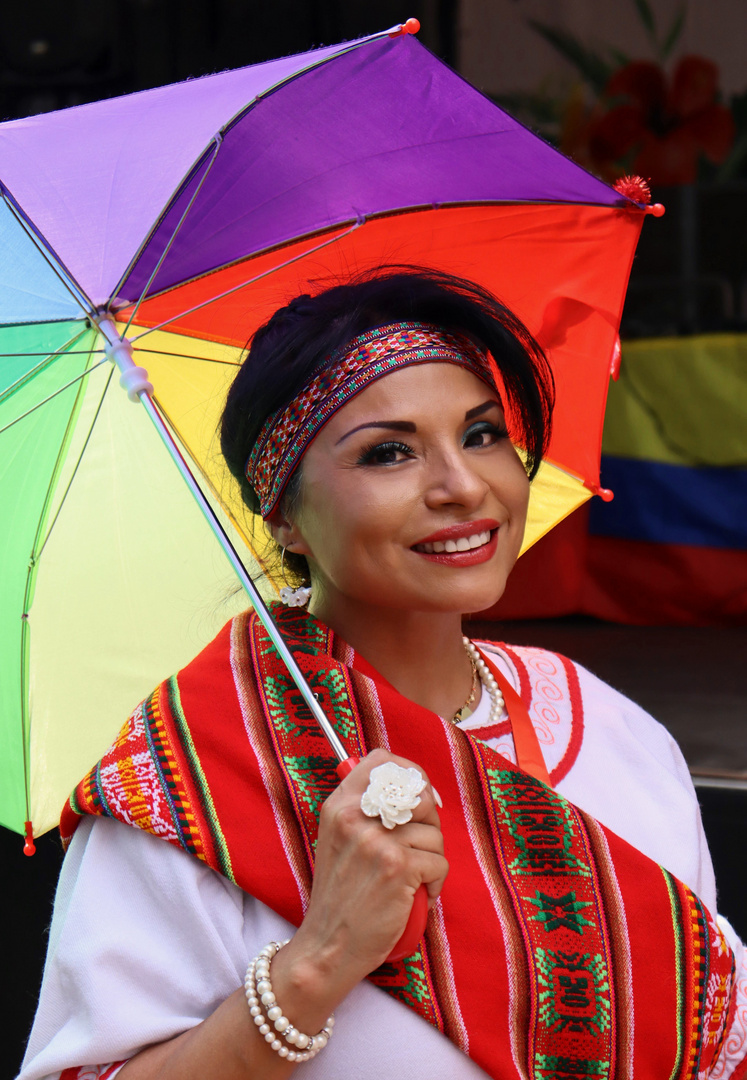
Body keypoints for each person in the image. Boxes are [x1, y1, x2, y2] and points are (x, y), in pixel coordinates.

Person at [19, 269, 747, 1080]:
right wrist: (319, 961)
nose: (464, 486)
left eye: (480, 434)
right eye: (388, 453)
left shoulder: (609, 728)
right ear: (283, 513)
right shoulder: (199, 773)